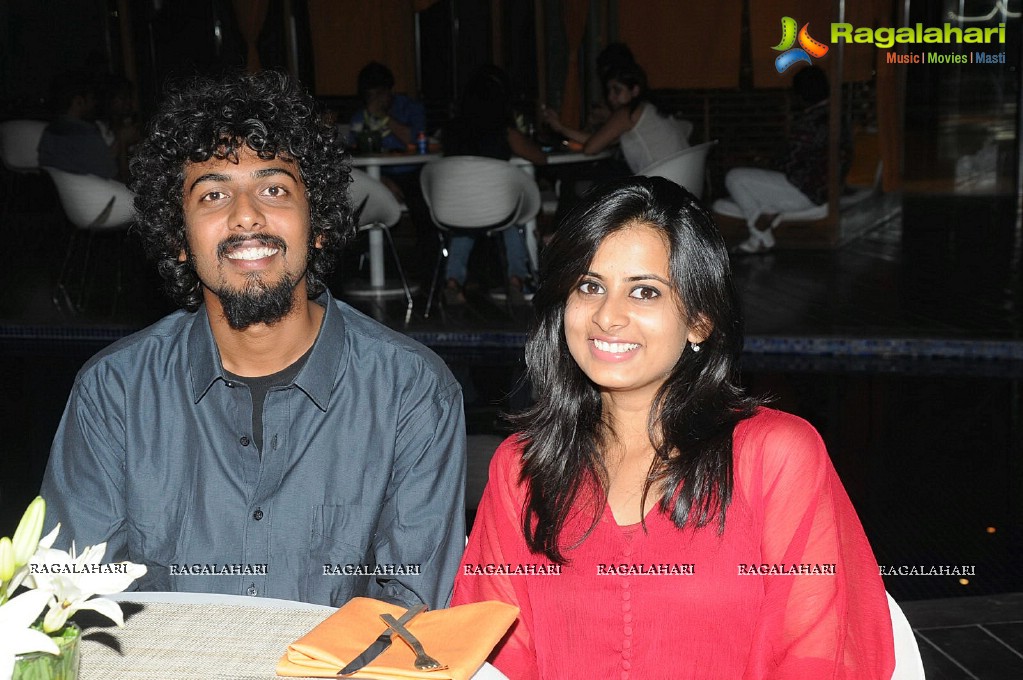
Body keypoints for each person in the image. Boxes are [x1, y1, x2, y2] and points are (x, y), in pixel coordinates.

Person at [39, 70, 467, 610]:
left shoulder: (412, 392)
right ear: (177, 238)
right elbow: (73, 599)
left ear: (318, 226)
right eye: (213, 193)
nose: (246, 215)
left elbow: (412, 612)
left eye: (274, 188)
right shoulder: (115, 393)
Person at [452, 177, 895, 678]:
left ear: (699, 321)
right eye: (589, 286)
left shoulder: (773, 456)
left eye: (644, 291)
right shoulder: (524, 468)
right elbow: (493, 650)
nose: (607, 316)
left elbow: (820, 649)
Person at [439, 65, 546, 305]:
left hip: (458, 209)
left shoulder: (451, 132)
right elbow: (540, 157)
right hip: (498, 209)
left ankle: (453, 281)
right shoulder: (504, 132)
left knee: (464, 228)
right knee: (512, 220)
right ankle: (517, 278)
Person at [722, 65, 853, 254]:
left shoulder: (814, 120)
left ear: (801, 93)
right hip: (825, 190)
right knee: (757, 189)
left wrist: (761, 162)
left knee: (734, 177)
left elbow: (790, 159)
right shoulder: (838, 116)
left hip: (806, 191)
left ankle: (760, 230)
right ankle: (763, 227)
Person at [543, 61, 686, 175]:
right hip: (682, 178)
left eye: (617, 90)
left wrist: (560, 127)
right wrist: (562, 128)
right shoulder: (647, 108)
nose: (611, 97)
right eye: (609, 91)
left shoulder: (628, 112)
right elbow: (597, 141)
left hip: (664, 182)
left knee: (579, 179)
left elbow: (590, 149)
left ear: (635, 90)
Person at [37, 70, 119, 180]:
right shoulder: (85, 133)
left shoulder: (50, 130)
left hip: (64, 194)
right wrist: (122, 142)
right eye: (92, 99)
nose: (95, 103)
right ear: (78, 101)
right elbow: (112, 174)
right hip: (93, 194)